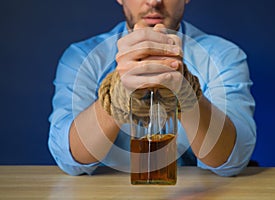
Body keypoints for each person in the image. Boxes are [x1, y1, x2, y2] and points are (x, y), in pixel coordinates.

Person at [48, 0, 256, 177]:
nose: (154, 1)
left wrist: (186, 93)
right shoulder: (82, 57)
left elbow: (233, 159)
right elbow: (68, 158)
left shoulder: (223, 56)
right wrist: (119, 93)